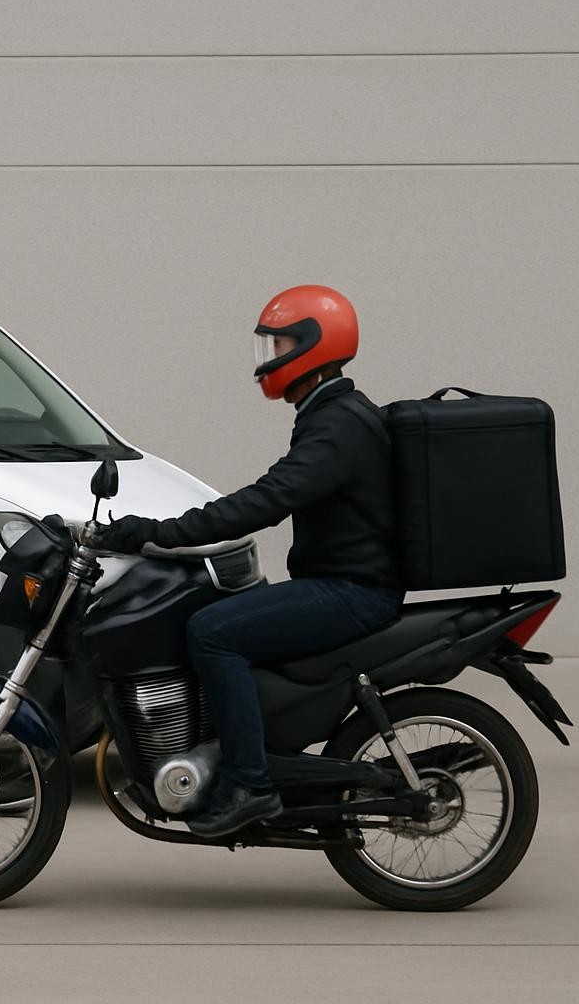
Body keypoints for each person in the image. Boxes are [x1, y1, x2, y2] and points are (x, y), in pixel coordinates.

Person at [96, 285, 402, 838]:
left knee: (213, 631)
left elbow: (267, 499)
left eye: (279, 345)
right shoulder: (331, 414)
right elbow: (270, 495)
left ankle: (250, 785)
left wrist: (159, 534)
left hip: (353, 591)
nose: (268, 361)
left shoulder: (338, 426)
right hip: (341, 581)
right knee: (217, 610)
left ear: (312, 346)